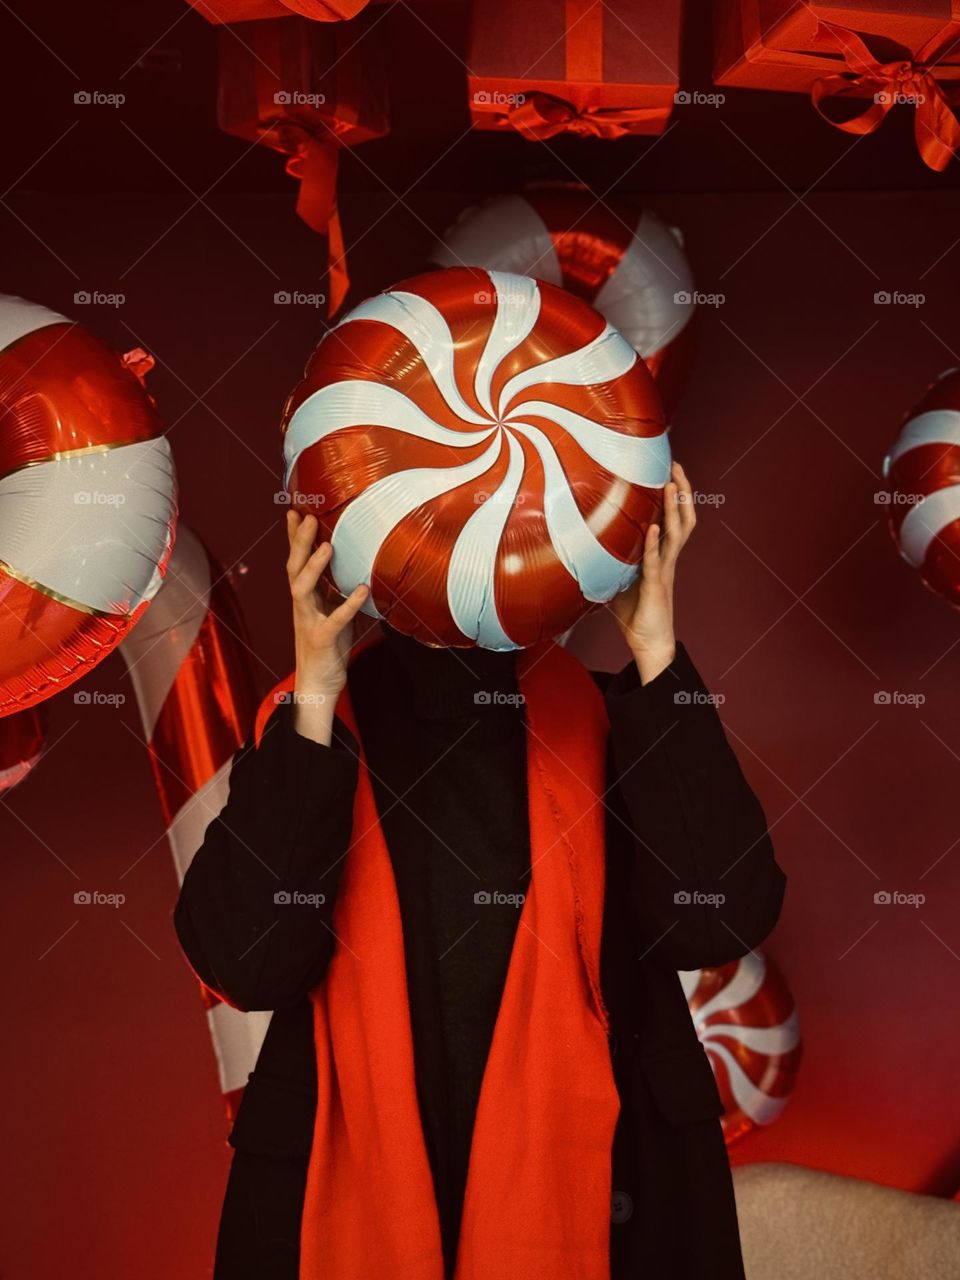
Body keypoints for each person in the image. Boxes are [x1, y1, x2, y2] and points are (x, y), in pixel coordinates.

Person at [175, 462, 786, 1280]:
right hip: (343, 1199)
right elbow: (247, 964)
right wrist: (316, 689)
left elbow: (720, 917)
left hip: (612, 1200)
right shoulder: (310, 724)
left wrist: (654, 650)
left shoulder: (619, 717)